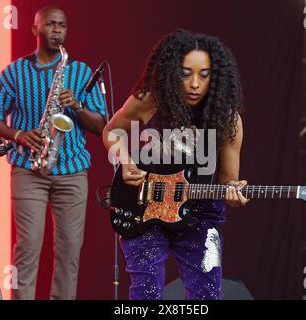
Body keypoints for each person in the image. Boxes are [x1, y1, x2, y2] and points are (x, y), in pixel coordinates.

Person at [102, 29, 249, 300]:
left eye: (204, 75)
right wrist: (125, 160)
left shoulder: (229, 120)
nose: (195, 83)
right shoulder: (148, 100)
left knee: (207, 295)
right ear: (170, 71)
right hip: (142, 209)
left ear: (215, 77)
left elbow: (229, 181)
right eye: (185, 73)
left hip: (201, 215)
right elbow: (112, 132)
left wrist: (233, 193)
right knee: (145, 294)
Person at [0, 6, 106, 300]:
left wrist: (75, 105)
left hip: (73, 170)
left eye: (63, 25)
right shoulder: (14, 72)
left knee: (69, 252)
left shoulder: (80, 72)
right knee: (27, 248)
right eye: (51, 24)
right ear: (36, 29)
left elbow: (101, 125)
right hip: (28, 168)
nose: (58, 30)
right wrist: (19, 135)